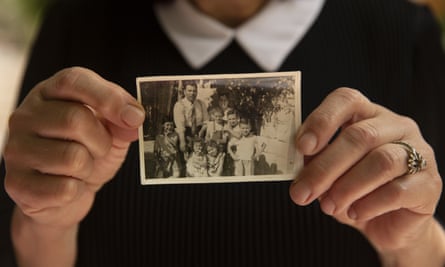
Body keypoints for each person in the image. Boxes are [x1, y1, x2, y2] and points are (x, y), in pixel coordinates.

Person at [1, 0, 445, 266]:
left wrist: (413, 243)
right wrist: (45, 226)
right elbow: (21, 243)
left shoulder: (404, 35)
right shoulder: (76, 25)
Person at [173, 80, 209, 153]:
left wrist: (202, 132)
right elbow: (180, 126)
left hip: (200, 132)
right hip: (186, 133)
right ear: (184, 92)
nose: (192, 93)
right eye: (189, 91)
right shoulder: (179, 105)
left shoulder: (201, 104)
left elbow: (206, 121)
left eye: (194, 91)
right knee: (186, 158)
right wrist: (182, 142)